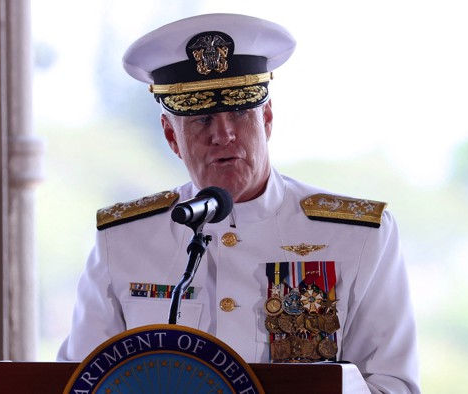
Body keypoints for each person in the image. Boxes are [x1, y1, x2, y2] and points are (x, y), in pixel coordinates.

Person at [58, 13, 420, 393]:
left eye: (239, 113)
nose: (223, 135)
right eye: (201, 119)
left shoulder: (357, 236)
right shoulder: (124, 240)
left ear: (266, 119)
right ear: (170, 136)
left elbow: (393, 387)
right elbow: (81, 380)